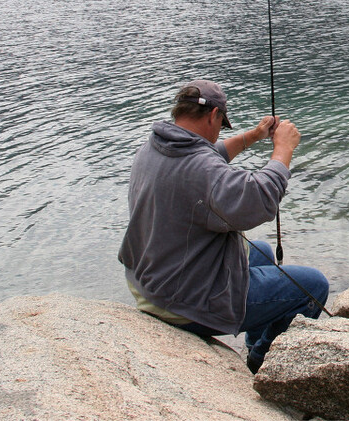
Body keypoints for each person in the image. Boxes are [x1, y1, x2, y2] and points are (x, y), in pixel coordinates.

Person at [119, 79, 329, 373]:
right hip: (183, 302)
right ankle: (261, 360)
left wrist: (254, 135)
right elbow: (259, 199)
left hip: (151, 280)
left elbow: (209, 154)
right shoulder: (200, 168)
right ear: (213, 115)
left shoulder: (156, 146)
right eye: (221, 124)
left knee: (262, 252)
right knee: (314, 286)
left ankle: (253, 344)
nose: (219, 131)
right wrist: (283, 150)